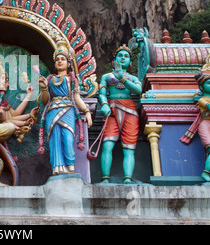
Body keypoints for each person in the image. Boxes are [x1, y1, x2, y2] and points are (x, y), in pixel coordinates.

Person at [38, 40, 92, 176]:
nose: (60, 61)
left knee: (68, 138)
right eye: (57, 60)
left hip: (68, 110)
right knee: (54, 140)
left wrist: (87, 111)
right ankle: (58, 167)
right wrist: (44, 88)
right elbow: (44, 101)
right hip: (52, 111)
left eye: (63, 59)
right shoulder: (50, 80)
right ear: (55, 64)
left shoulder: (71, 79)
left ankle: (70, 166)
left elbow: (77, 97)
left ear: (69, 63)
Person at [98, 44, 142, 184]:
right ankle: (105, 178)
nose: (123, 58)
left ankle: (127, 178)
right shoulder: (106, 76)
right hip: (111, 111)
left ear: (130, 62)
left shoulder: (133, 78)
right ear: (114, 60)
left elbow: (138, 91)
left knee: (129, 148)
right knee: (107, 145)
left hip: (130, 111)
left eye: (126, 56)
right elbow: (102, 94)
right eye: (120, 56)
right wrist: (104, 104)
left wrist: (122, 78)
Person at [180, 64, 210, 181]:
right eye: (209, 83)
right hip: (205, 125)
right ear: (201, 88)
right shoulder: (203, 100)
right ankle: (206, 173)